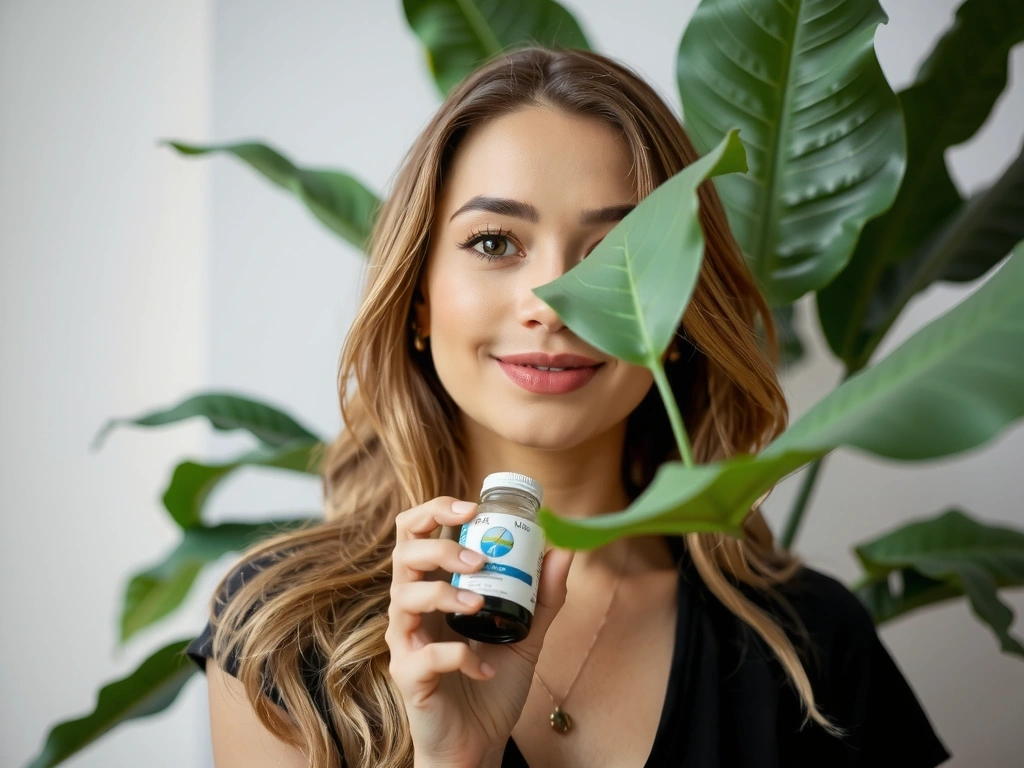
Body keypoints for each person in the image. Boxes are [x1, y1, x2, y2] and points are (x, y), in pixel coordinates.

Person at [184, 46, 951, 768]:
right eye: (494, 243)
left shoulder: (814, 644)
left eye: (615, 254)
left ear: (681, 317)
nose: (550, 303)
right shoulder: (285, 634)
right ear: (418, 300)